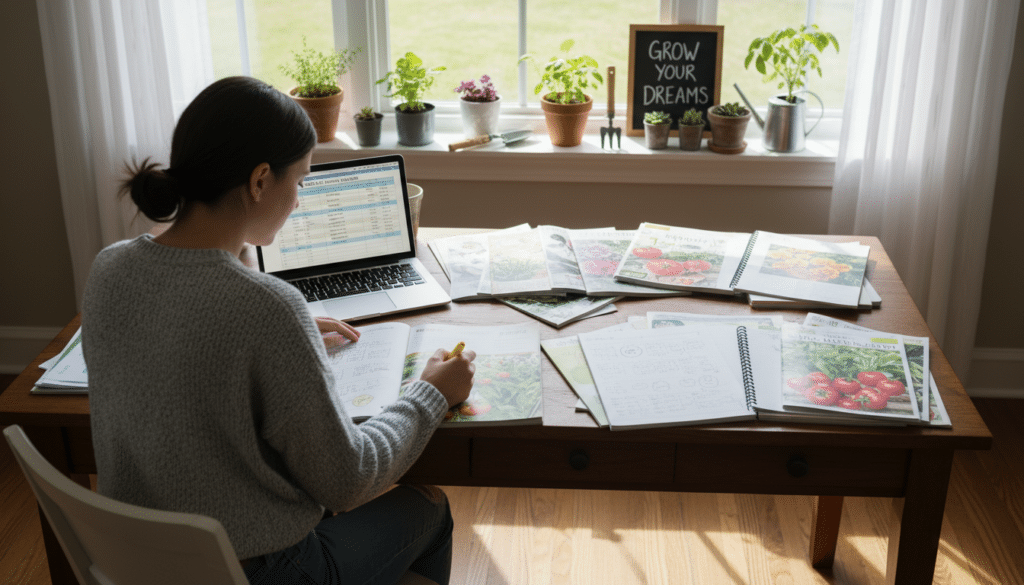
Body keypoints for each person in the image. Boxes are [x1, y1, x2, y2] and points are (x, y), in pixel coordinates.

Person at [81, 76, 476, 585]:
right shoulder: (267, 308)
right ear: (260, 180)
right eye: (301, 180)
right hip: (260, 572)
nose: (298, 199)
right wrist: (431, 393)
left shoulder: (110, 268)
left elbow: (183, 332)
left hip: (138, 562)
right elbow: (347, 481)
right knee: (428, 508)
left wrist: (277, 332)